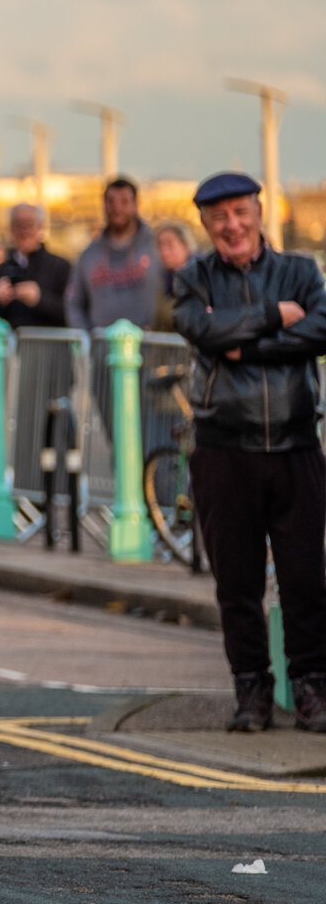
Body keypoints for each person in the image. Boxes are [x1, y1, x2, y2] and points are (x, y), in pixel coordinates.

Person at [170, 173, 326, 733]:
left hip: (295, 444)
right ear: (205, 224)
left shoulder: (302, 271)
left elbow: (321, 330)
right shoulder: (192, 278)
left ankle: (311, 688)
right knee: (236, 583)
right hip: (223, 449)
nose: (231, 225)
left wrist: (246, 344)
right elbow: (199, 332)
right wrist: (274, 316)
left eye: (240, 212)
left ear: (259, 212)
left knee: (306, 577)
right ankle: (251, 692)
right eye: (219, 217)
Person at [68, 178, 160, 333]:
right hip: (102, 350)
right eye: (111, 202)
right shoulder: (88, 255)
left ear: (136, 205)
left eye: (124, 202)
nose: (117, 208)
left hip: (151, 348)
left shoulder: (157, 248)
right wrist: (87, 340)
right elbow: (74, 303)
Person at [0, 204, 70, 328]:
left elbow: (71, 312)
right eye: (19, 226)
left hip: (48, 345)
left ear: (40, 227)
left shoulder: (60, 267)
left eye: (29, 225)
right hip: (11, 345)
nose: (24, 232)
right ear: (11, 229)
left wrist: (40, 299)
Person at [151, 222, 194, 332]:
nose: (164, 252)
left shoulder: (200, 276)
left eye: (170, 245)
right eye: (160, 246)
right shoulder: (164, 278)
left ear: (186, 246)